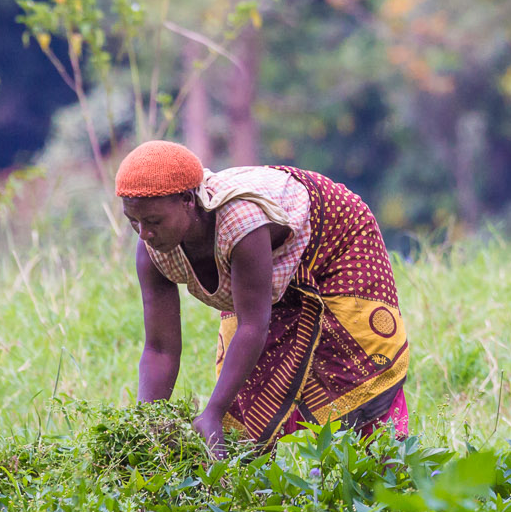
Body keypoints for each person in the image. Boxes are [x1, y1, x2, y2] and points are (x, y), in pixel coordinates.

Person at [115, 140, 410, 456]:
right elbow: (160, 348)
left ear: (188, 201)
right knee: (248, 394)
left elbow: (253, 326)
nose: (143, 233)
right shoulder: (151, 250)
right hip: (257, 260)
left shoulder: (242, 224)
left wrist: (211, 411)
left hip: (334, 239)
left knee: (350, 357)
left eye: (154, 221)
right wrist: (146, 425)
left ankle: (384, 469)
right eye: (134, 221)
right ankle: (263, 488)